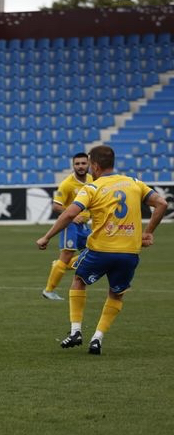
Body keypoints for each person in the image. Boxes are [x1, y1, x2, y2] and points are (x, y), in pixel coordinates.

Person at [36, 145, 167, 355]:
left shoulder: (92, 188)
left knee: (78, 280)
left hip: (100, 250)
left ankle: (75, 330)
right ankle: (97, 338)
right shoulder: (134, 183)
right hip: (129, 253)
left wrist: (46, 236)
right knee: (117, 293)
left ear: (95, 165)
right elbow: (161, 203)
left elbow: (69, 213)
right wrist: (148, 232)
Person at [42, 152, 92, 300]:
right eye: (77, 164)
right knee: (67, 253)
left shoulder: (92, 179)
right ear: (73, 165)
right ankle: (49, 291)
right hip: (68, 224)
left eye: (83, 163)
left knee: (92, 252)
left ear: (88, 164)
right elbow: (56, 206)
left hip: (83, 226)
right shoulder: (67, 184)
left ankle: (59, 265)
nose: (81, 166)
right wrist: (73, 215)